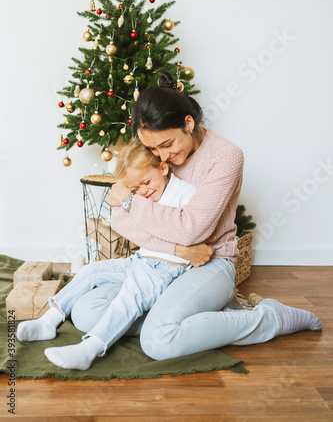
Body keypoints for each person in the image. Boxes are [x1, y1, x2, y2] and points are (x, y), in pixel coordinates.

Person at [71, 71, 322, 361]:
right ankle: (190, 317)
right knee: (85, 312)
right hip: (158, 263)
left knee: (158, 341)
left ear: (188, 124)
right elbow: (120, 221)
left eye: (166, 146)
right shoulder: (154, 145)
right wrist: (178, 248)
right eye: (152, 149)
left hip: (210, 263)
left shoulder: (226, 156)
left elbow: (192, 229)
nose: (161, 157)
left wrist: (130, 200)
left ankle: (269, 318)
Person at [16, 138, 198, 370]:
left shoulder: (186, 194)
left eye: (146, 182)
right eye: (134, 189)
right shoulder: (142, 196)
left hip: (167, 267)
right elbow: (133, 227)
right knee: (91, 271)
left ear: (163, 168)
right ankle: (49, 321)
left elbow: (185, 233)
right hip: (141, 259)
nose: (143, 191)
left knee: (132, 293)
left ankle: (89, 349)